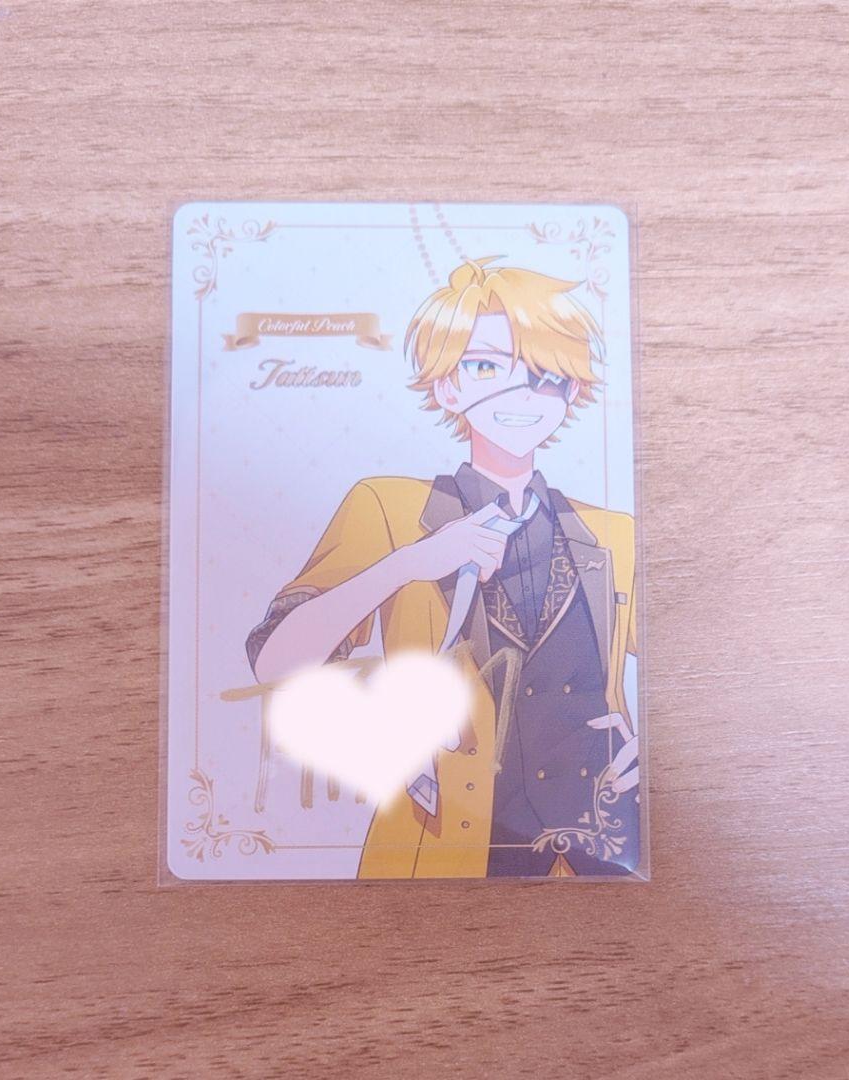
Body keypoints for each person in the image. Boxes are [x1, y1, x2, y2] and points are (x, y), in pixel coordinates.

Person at [245, 256, 639, 878]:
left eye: (545, 375)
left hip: (603, 852)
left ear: (571, 391)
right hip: (447, 848)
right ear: (448, 386)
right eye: (486, 366)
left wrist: (651, 754)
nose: (519, 394)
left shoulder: (616, 533)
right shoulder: (389, 507)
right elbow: (276, 663)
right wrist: (410, 564)